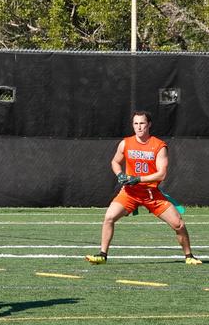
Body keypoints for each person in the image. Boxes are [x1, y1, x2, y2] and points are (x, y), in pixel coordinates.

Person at [86, 110, 202, 266]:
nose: (139, 127)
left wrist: (138, 179)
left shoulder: (159, 146)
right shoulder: (125, 143)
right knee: (109, 217)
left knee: (178, 224)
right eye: (136, 123)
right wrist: (120, 174)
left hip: (151, 194)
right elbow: (115, 162)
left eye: (142, 123)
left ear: (149, 125)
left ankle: (189, 256)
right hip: (130, 193)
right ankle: (102, 255)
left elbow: (161, 174)